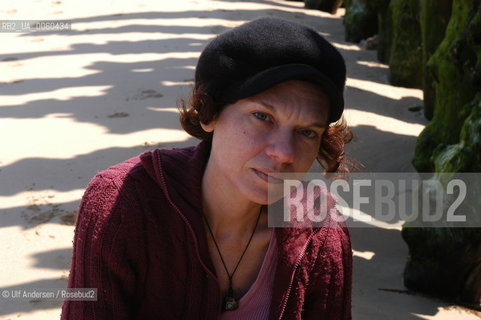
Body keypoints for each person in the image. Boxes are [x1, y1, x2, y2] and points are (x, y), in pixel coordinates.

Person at [61, 17, 353, 320]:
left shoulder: (321, 228)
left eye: (307, 132)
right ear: (208, 112)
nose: (284, 153)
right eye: (262, 116)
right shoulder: (121, 203)